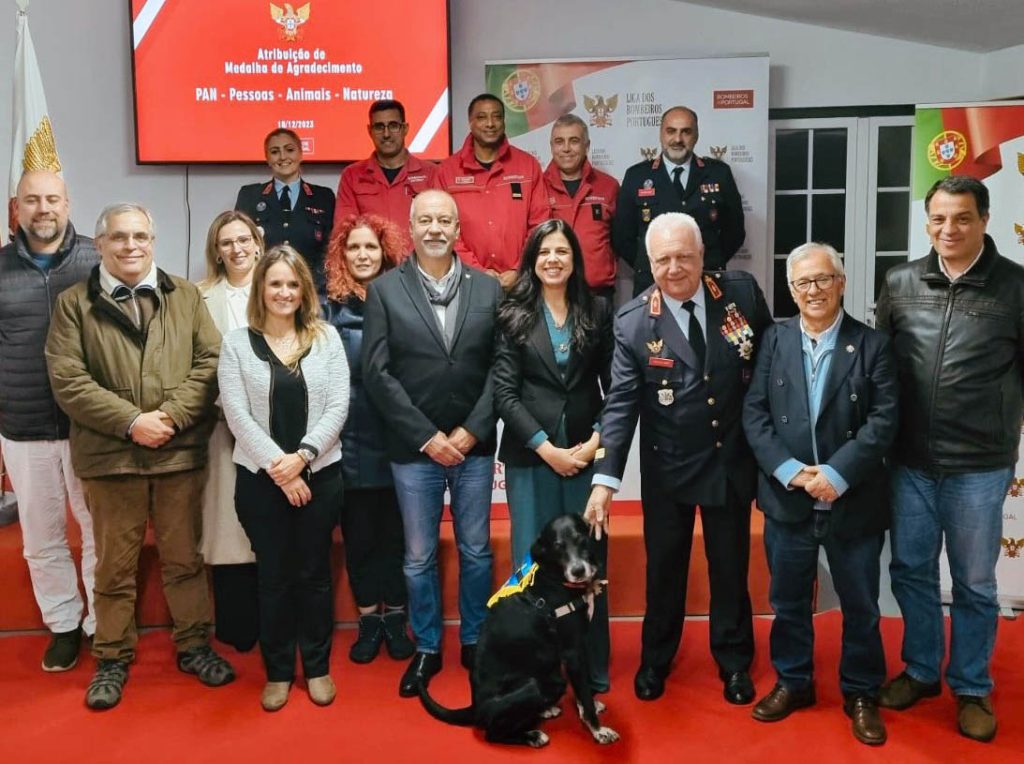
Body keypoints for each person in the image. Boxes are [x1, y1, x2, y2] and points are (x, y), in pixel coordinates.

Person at [46, 203, 234, 711]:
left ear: (153, 240)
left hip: (178, 455)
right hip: (111, 458)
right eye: (119, 237)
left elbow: (211, 361)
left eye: (140, 236)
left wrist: (168, 417)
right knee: (113, 566)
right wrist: (132, 422)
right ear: (100, 243)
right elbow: (68, 379)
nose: (131, 246)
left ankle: (194, 646)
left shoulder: (186, 295)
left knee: (184, 560)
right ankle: (111, 657)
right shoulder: (72, 304)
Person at [585, 212, 771, 705]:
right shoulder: (631, 323)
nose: (674, 268)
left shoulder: (741, 294)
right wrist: (605, 478)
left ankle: (734, 662)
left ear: (703, 256)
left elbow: (769, 361)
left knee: (730, 569)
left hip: (730, 460)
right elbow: (621, 405)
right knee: (664, 570)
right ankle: (655, 660)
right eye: (663, 259)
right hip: (668, 466)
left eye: (684, 256)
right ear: (648, 262)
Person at [875, 176, 1024, 743]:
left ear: (984, 219)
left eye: (961, 218)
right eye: (938, 218)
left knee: (974, 583)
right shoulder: (901, 280)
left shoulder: (1014, 287)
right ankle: (919, 669)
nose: (948, 229)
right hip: (909, 461)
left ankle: (970, 685)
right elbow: (879, 364)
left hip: (979, 466)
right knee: (910, 571)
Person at [742, 243, 898, 746]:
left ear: (842, 282)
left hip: (852, 498)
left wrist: (838, 471)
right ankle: (794, 681)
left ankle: (860, 692)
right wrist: (790, 471)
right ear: (791, 290)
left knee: (860, 604)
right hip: (789, 496)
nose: (813, 291)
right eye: (803, 283)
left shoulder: (872, 344)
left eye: (823, 280)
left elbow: (884, 420)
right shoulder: (774, 339)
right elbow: (755, 414)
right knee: (787, 600)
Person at [363, 189, 503, 697]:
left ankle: (474, 639)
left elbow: (500, 368)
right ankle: (425, 647)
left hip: (474, 446)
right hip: (414, 451)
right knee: (418, 557)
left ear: (458, 228)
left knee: (476, 550)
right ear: (411, 225)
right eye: (426, 220)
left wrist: (471, 430)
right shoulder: (384, 291)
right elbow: (377, 375)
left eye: (445, 219)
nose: (435, 229)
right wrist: (426, 437)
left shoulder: (489, 289)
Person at [218, 245, 348, 712]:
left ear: (304, 290)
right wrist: (282, 468)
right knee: (272, 578)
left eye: (293, 284)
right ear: (260, 289)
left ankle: (316, 667)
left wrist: (305, 458)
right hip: (260, 481)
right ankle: (276, 672)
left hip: (321, 476)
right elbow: (236, 414)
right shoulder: (236, 343)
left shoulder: (327, 338)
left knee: (313, 576)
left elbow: (338, 405)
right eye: (275, 283)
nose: (284, 292)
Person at [493, 218, 614, 692]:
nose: (553, 260)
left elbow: (617, 385)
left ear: (575, 259)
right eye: (545, 252)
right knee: (532, 564)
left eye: (562, 251)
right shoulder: (513, 313)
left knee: (590, 561)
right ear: (532, 260)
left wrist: (597, 439)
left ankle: (594, 668)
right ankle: (533, 670)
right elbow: (505, 394)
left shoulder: (598, 311)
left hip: (586, 457)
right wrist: (546, 448)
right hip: (532, 460)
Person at [0, 170, 97, 672]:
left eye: (52, 199)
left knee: (100, 531)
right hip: (24, 426)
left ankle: (103, 626)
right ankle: (63, 624)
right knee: (41, 538)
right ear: (16, 208)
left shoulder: (97, 261)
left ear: (68, 203)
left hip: (90, 428)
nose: (43, 208)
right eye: (32, 200)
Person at [324, 213, 415, 664]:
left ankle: (397, 618)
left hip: (399, 438)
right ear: (342, 255)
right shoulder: (325, 309)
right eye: (354, 248)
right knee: (359, 540)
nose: (362, 255)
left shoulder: (405, 300)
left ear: (386, 254)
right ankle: (368, 620)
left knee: (397, 539)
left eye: (371, 248)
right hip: (347, 441)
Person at [196, 211, 263, 652]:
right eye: (226, 242)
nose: (236, 249)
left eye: (244, 239)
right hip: (223, 429)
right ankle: (238, 627)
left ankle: (280, 621)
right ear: (216, 251)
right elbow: (196, 365)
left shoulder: (285, 285)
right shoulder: (198, 298)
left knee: (276, 528)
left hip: (282, 433)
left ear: (259, 242)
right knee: (230, 530)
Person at [614, 107, 745, 296]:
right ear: (661, 134)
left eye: (686, 131)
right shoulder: (637, 176)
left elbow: (735, 232)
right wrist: (649, 264)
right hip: (653, 284)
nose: (677, 139)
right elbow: (622, 237)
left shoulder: (718, 174)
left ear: (696, 135)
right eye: (671, 131)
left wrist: (709, 261)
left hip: (706, 281)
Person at [433, 93, 548, 288]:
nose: (490, 123)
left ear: (504, 121)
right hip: (465, 283)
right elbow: (443, 229)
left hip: (520, 283)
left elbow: (540, 224)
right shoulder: (446, 171)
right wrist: (477, 271)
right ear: (470, 122)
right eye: (481, 117)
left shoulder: (528, 166)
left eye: (496, 116)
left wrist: (519, 269)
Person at [236, 128, 335, 298]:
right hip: (263, 290)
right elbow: (241, 247)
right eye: (275, 152)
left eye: (289, 150)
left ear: (301, 154)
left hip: (312, 291)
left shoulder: (323, 197)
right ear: (267, 158)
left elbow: (331, 248)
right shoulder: (250, 196)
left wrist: (316, 286)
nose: (283, 157)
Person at [334, 99, 438, 252]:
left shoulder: (431, 173)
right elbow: (344, 231)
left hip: (419, 268)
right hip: (372, 269)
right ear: (369, 131)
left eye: (393, 126)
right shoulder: (352, 176)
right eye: (379, 127)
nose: (386, 134)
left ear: (405, 128)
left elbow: (440, 226)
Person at [542, 114, 620, 300]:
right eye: (559, 142)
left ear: (587, 146)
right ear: (552, 146)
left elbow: (620, 240)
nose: (566, 149)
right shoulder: (538, 187)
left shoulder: (609, 186)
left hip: (598, 295)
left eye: (574, 141)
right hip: (550, 293)